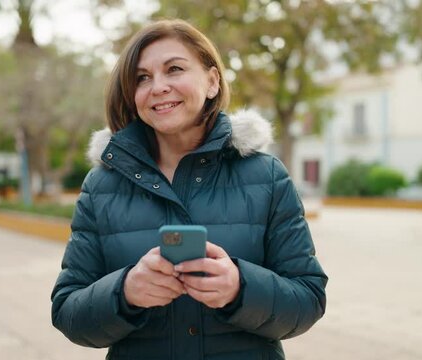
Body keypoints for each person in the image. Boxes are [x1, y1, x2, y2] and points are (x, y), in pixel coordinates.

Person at [51, 19, 327, 360]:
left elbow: (309, 299)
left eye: (174, 69)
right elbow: (67, 311)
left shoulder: (266, 175)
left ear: (212, 82)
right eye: (142, 78)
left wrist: (240, 287)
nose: (158, 87)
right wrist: (125, 291)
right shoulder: (101, 186)